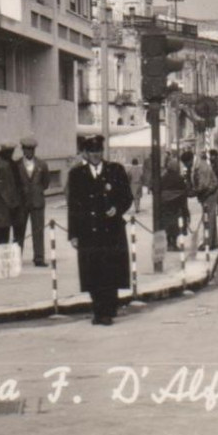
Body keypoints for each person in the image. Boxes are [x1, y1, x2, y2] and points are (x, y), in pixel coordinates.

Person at [66, 135, 133, 325]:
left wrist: (117, 208)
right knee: (91, 272)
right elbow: (73, 206)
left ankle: (108, 310)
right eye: (92, 152)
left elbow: (127, 197)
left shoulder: (116, 171)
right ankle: (98, 309)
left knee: (110, 271)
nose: (96, 155)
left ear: (102, 152)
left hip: (111, 232)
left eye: (99, 151)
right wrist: (73, 234)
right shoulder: (77, 174)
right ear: (86, 154)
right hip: (88, 232)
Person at [9, 135, 52, 267]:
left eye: (32, 149)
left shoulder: (42, 164)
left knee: (38, 231)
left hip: (37, 202)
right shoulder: (16, 165)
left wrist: (36, 192)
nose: (29, 152)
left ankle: (39, 258)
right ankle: (16, 258)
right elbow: (13, 184)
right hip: (21, 204)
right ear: (22, 150)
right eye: (27, 149)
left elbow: (46, 183)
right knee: (19, 231)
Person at [191, 149, 218, 251]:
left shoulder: (201, 168)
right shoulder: (199, 164)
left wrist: (193, 192)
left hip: (210, 194)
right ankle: (214, 242)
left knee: (208, 218)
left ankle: (208, 243)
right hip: (211, 192)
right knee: (210, 217)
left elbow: (202, 186)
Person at [159, 153, 190, 251]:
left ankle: (169, 243)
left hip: (165, 206)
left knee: (167, 225)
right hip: (176, 206)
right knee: (176, 225)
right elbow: (184, 192)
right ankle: (174, 243)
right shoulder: (179, 178)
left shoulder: (163, 177)